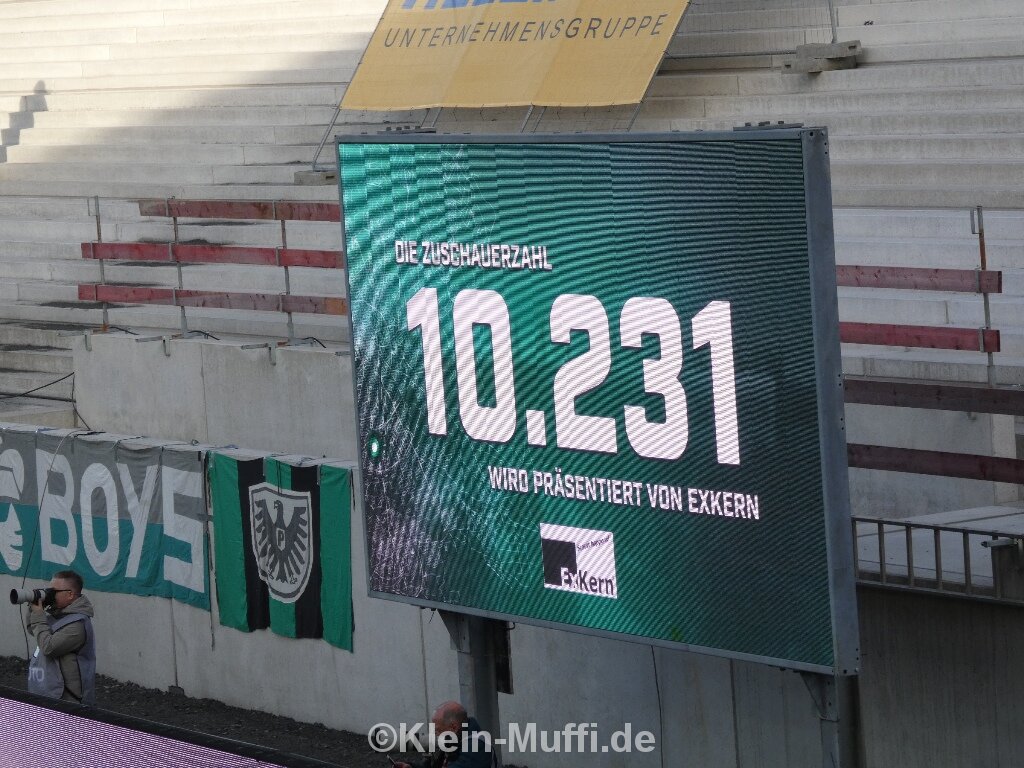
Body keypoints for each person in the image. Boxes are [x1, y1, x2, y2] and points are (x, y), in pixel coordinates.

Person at [25, 569, 96, 705]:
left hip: (68, 701)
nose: (49, 595)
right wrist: (32, 608)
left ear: (70, 594)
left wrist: (39, 615)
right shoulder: (58, 614)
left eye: (54, 592)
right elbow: (34, 630)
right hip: (49, 691)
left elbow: (48, 647)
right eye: (49, 590)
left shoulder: (78, 625)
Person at [394, 700, 494, 768]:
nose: (436, 734)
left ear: (454, 727)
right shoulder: (453, 739)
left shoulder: (477, 745)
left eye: (438, 730)